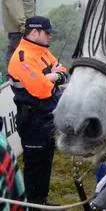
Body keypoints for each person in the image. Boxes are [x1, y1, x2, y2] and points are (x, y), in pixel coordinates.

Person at [8, 16, 67, 205]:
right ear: (34, 32)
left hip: (47, 117)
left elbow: (64, 71)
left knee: (46, 161)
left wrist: (52, 76)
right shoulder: (22, 57)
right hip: (32, 120)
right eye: (47, 33)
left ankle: (42, 199)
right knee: (34, 165)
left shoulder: (42, 51)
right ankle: (33, 203)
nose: (51, 37)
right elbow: (41, 91)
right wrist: (53, 76)